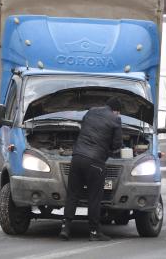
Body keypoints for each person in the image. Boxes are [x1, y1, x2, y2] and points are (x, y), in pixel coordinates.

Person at [59, 97, 123, 241]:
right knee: (94, 197)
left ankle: (66, 227)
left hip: (77, 157)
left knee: (73, 194)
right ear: (116, 110)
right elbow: (116, 145)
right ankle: (94, 232)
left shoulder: (91, 112)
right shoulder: (115, 119)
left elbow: (83, 130)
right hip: (95, 162)